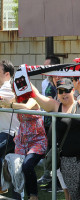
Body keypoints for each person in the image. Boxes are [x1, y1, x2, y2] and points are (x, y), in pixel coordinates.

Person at [31, 78, 80, 200]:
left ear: (73, 90)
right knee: (75, 195)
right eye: (60, 91)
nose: (64, 94)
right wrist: (24, 77)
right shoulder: (55, 106)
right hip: (67, 160)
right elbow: (36, 95)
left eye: (67, 90)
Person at [0, 97, 47, 200]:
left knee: (27, 165)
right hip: (21, 142)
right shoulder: (16, 99)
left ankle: (33, 196)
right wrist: (5, 102)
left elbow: (26, 107)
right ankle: (18, 197)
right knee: (15, 169)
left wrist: (10, 104)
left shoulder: (33, 99)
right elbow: (4, 104)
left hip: (37, 141)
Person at [38, 56, 61, 186]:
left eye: (47, 66)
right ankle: (48, 177)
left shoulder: (60, 82)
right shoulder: (45, 82)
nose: (44, 68)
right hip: (46, 121)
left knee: (55, 152)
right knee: (48, 151)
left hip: (56, 122)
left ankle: (57, 182)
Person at [0, 60, 20, 195]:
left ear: (7, 74)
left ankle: (2, 184)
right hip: (6, 133)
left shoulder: (7, 88)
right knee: (13, 169)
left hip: (10, 134)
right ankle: (3, 184)